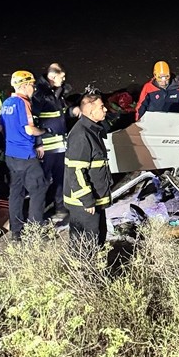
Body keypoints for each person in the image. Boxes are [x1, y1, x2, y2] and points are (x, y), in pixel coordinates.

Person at [0, 69, 48, 237]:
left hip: (10, 155)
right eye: (32, 85)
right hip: (26, 155)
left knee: (16, 192)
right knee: (39, 189)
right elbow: (29, 129)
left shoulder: (6, 103)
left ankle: (16, 231)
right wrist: (43, 131)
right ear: (25, 85)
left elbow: (2, 128)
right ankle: (35, 230)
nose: (33, 89)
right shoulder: (23, 102)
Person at [63, 89, 112, 250]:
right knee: (85, 245)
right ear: (91, 111)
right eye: (102, 107)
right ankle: (82, 273)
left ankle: (95, 272)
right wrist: (87, 199)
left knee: (97, 239)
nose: (105, 109)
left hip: (93, 200)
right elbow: (76, 171)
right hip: (84, 205)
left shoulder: (91, 129)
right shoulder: (82, 135)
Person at [32, 62, 77, 221]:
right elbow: (33, 119)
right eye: (62, 77)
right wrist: (38, 143)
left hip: (59, 144)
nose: (64, 80)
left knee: (61, 178)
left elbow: (60, 113)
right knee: (42, 182)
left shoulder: (56, 93)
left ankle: (61, 208)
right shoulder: (39, 93)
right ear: (52, 76)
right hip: (46, 145)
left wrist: (72, 111)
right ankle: (37, 217)